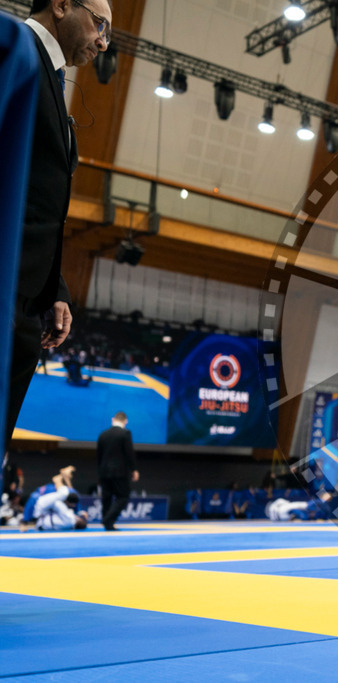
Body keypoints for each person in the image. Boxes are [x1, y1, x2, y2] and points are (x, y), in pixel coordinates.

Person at [6, 0, 112, 451]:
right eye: (100, 24)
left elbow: (32, 202)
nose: (103, 43)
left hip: (26, 302)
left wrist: (55, 287)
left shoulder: (50, 75)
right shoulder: (13, 47)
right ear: (63, 4)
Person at [96, 411, 138, 531]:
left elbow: (99, 455)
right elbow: (129, 453)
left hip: (104, 471)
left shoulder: (103, 434)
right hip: (120, 472)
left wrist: (99, 472)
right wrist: (134, 469)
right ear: (126, 421)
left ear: (112, 419)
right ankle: (107, 519)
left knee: (107, 497)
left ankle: (108, 524)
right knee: (123, 496)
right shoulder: (125, 433)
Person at [20, 469, 87, 531]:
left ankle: (60, 478)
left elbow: (58, 504)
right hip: (42, 509)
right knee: (65, 493)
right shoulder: (69, 518)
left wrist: (80, 513)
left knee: (64, 494)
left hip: (42, 509)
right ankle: (62, 478)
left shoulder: (69, 517)